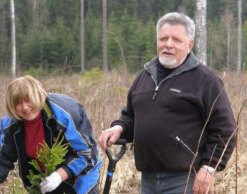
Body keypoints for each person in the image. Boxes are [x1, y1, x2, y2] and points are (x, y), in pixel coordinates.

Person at [98, 12, 236, 194]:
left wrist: (209, 168)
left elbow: (226, 129)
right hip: (148, 179)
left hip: (186, 180)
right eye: (163, 38)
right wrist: (119, 128)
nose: (168, 44)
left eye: (176, 40)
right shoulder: (144, 77)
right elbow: (131, 116)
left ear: (190, 45)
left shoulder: (206, 81)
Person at [0, 75, 102, 194]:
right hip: (44, 176)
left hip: (83, 170)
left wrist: (58, 176)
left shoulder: (64, 115)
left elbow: (84, 153)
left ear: (39, 95)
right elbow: (3, 157)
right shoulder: (10, 125)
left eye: (28, 100)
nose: (25, 108)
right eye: (18, 103)